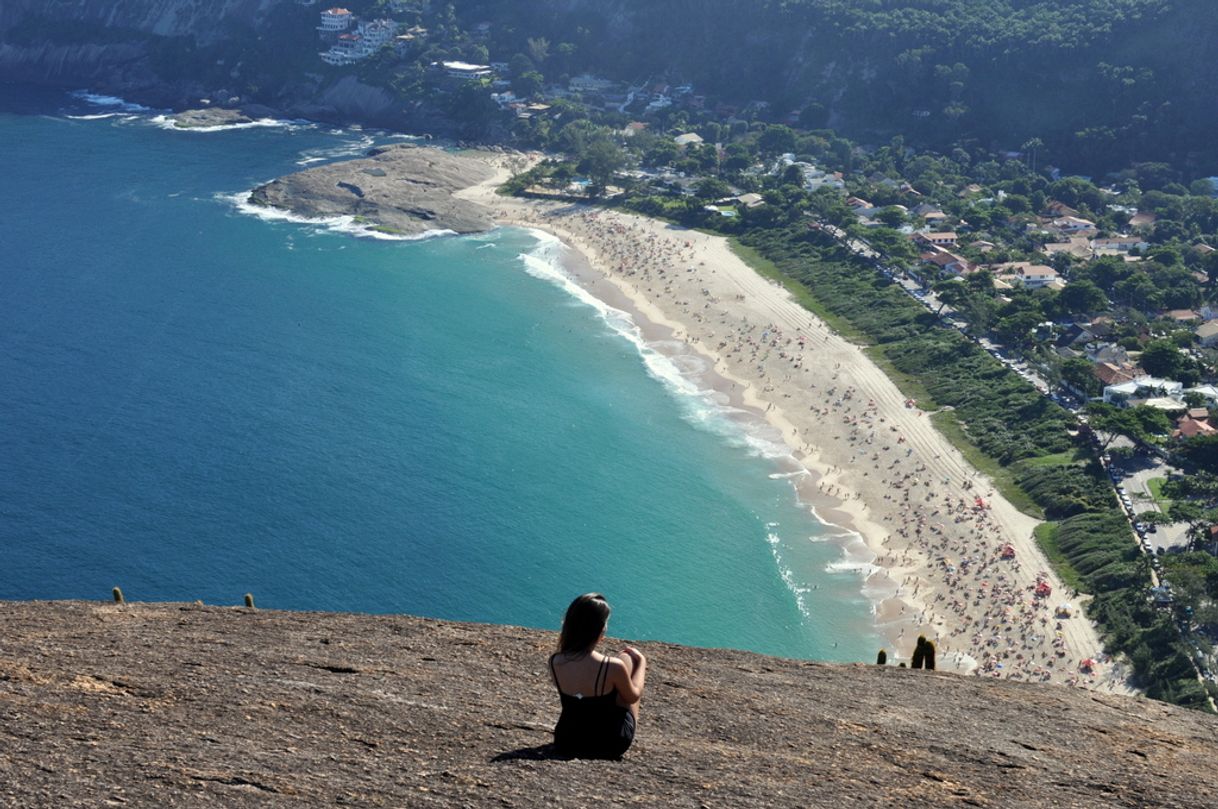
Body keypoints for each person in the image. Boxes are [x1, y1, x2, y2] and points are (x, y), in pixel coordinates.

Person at [548, 593, 646, 759]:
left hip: (567, 741)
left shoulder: (555, 661)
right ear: (600, 630)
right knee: (626, 660)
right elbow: (632, 696)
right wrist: (641, 663)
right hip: (608, 743)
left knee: (615, 673)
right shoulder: (612, 666)